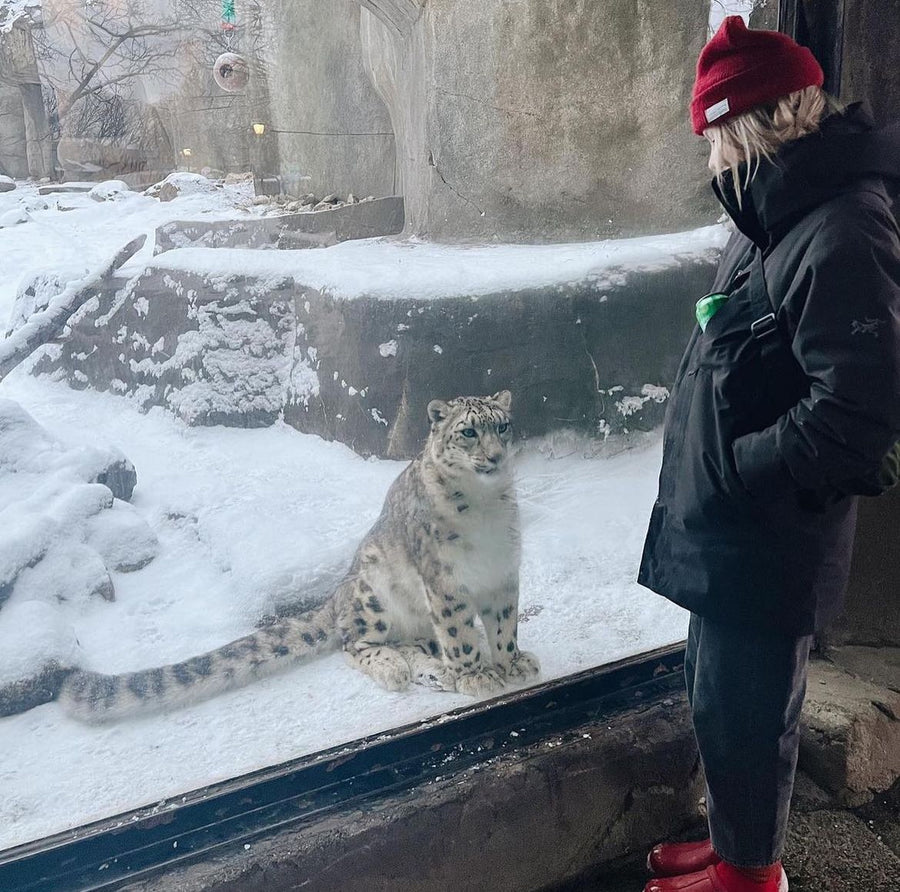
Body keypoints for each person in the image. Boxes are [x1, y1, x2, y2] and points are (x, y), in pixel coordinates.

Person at [637, 16, 900, 892]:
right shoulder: (773, 210)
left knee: (751, 712)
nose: (708, 154)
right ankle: (735, 842)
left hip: (768, 525)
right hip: (732, 523)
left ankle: (752, 878)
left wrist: (745, 469)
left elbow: (863, 413)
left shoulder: (842, 229)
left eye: (712, 134)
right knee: (720, 703)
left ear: (744, 126)